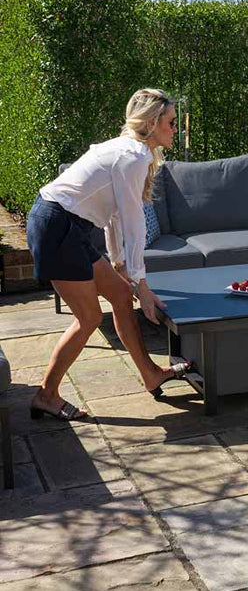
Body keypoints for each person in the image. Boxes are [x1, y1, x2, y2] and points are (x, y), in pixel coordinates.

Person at [26, 88, 191, 421]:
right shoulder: (132, 156)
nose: (176, 129)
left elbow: (114, 215)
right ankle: (46, 394)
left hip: (67, 224)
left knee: (118, 294)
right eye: (171, 123)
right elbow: (133, 224)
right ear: (153, 122)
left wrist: (120, 264)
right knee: (88, 319)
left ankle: (150, 374)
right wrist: (142, 285)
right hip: (58, 226)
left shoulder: (128, 151)